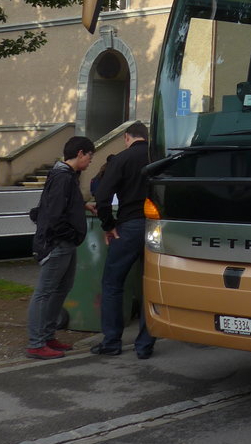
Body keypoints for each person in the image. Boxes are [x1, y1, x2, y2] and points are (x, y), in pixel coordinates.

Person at [91, 121, 156, 359]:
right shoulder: (158, 158)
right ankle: (145, 345)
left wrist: (109, 225)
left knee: (112, 284)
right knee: (149, 285)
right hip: (157, 227)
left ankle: (111, 342)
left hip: (128, 226)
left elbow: (102, 196)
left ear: (127, 137)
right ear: (147, 138)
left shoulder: (121, 159)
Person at [26, 136, 94, 360]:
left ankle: (47, 336)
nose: (90, 162)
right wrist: (71, 235)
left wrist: (82, 205)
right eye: (90, 156)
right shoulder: (63, 177)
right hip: (57, 243)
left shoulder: (65, 176)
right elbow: (55, 214)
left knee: (61, 289)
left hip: (65, 242)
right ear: (81, 153)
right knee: (44, 292)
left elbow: (58, 204)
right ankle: (36, 343)